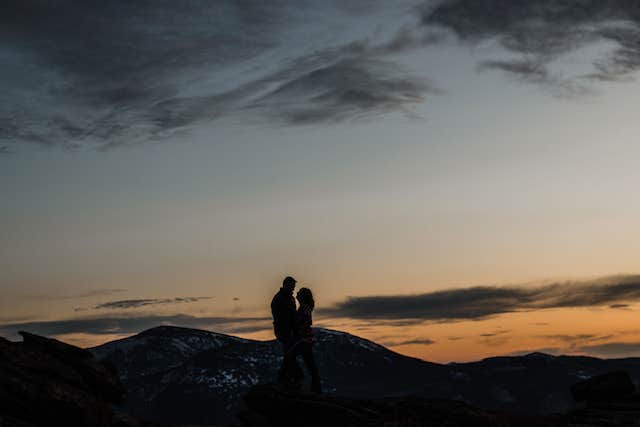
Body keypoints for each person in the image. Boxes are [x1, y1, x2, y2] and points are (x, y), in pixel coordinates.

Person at [291, 287, 321, 393]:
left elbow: (301, 322)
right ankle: (315, 387)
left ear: (303, 296)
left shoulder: (304, 308)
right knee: (310, 363)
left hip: (304, 339)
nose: (297, 293)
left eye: (299, 293)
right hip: (306, 339)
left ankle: (300, 380)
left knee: (291, 358)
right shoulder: (306, 307)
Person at [271, 276, 298, 385]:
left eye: (294, 287)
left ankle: (287, 378)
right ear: (286, 285)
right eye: (292, 286)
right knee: (289, 354)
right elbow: (280, 316)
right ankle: (285, 378)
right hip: (284, 331)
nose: (293, 289)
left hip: (290, 331)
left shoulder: (290, 298)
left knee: (290, 354)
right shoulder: (279, 299)